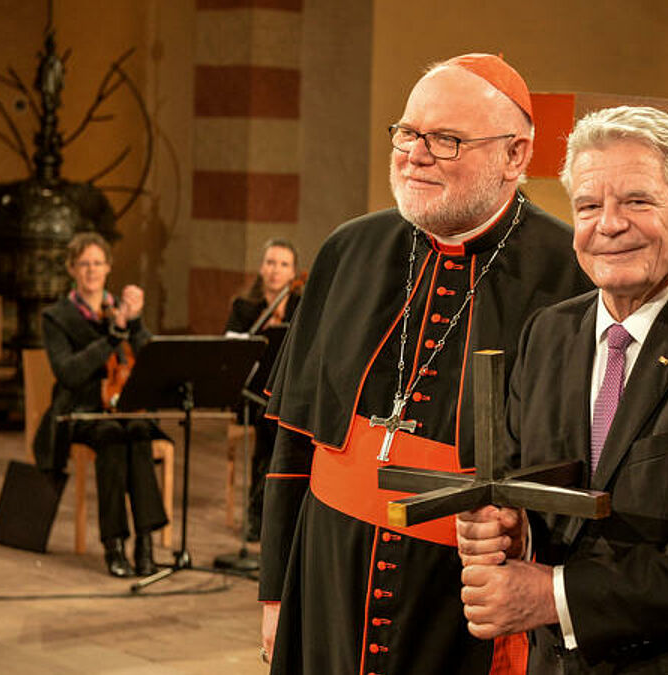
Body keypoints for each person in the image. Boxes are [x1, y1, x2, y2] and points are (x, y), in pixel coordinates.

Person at [258, 53, 592, 673]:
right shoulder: (347, 250)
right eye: (408, 133)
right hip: (328, 573)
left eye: (446, 140)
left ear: (515, 156)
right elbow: (293, 443)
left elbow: (584, 469)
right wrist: (277, 591)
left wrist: (527, 536)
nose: (415, 154)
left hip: (460, 600)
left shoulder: (572, 275)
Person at [454, 106, 668, 673]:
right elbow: (519, 488)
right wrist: (508, 531)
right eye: (589, 206)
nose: (609, 224)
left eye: (637, 201)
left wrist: (555, 595)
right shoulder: (547, 333)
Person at [34, 232, 169, 577]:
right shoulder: (57, 317)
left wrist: (134, 323)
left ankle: (146, 542)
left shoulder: (121, 310)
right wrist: (111, 337)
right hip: (80, 409)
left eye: (97, 263)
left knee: (137, 431)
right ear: (72, 269)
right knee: (110, 435)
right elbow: (69, 373)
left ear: (108, 267)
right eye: (84, 264)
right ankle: (114, 545)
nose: (91, 270)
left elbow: (150, 359)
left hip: (126, 406)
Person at [223, 237, 301, 542]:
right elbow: (229, 355)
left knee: (282, 420)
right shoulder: (244, 307)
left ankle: (286, 513)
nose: (275, 270)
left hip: (289, 397)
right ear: (261, 268)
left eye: (283, 264)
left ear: (293, 273)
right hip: (250, 397)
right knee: (271, 421)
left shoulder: (301, 307)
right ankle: (260, 515)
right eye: (270, 262)